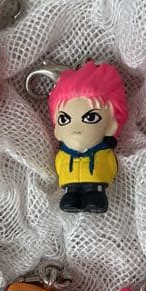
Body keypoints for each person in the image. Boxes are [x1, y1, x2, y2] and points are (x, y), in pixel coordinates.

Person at [48, 61, 128, 213]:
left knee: (95, 197)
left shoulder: (103, 152)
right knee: (70, 197)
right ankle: (71, 197)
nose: (76, 128)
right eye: (64, 119)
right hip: (69, 183)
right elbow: (59, 166)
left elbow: (112, 166)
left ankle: (95, 197)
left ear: (112, 125)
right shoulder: (63, 154)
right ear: (57, 129)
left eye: (90, 118)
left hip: (96, 183)